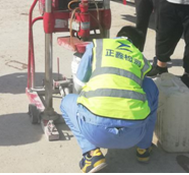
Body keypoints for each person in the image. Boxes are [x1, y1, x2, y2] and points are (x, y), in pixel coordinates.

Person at [60, 26, 159, 173]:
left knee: (66, 102)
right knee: (150, 86)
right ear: (137, 46)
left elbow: (79, 84)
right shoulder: (139, 57)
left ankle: (92, 154)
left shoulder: (97, 45)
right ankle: (144, 149)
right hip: (134, 134)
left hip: (95, 131)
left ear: (117, 36)